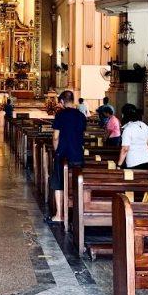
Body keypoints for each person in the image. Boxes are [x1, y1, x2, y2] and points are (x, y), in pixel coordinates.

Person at [49, 90, 87, 224]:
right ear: (74, 101)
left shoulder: (60, 115)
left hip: (63, 154)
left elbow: (55, 137)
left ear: (62, 102)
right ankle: (77, 215)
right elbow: (81, 135)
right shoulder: (81, 116)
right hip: (78, 154)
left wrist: (57, 151)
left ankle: (59, 215)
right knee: (77, 184)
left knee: (59, 183)